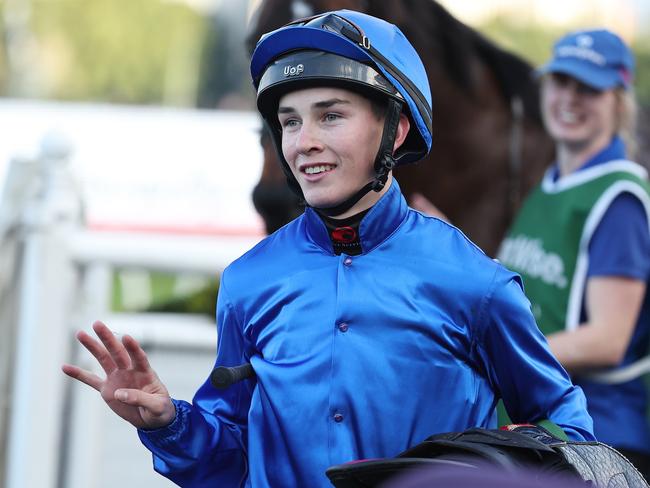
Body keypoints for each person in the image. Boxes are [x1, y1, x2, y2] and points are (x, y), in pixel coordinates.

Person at [62, 10, 595, 487]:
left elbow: (568, 432)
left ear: (396, 127)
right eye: (289, 121)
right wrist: (169, 423)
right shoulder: (248, 281)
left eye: (330, 115)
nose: (303, 141)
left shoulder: (476, 283)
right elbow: (229, 461)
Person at [497, 29, 650, 480]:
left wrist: (501, 351)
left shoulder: (617, 197)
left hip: (596, 438)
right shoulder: (552, 182)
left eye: (589, 88)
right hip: (539, 423)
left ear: (618, 101)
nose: (570, 98)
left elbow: (608, 339)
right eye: (561, 82)